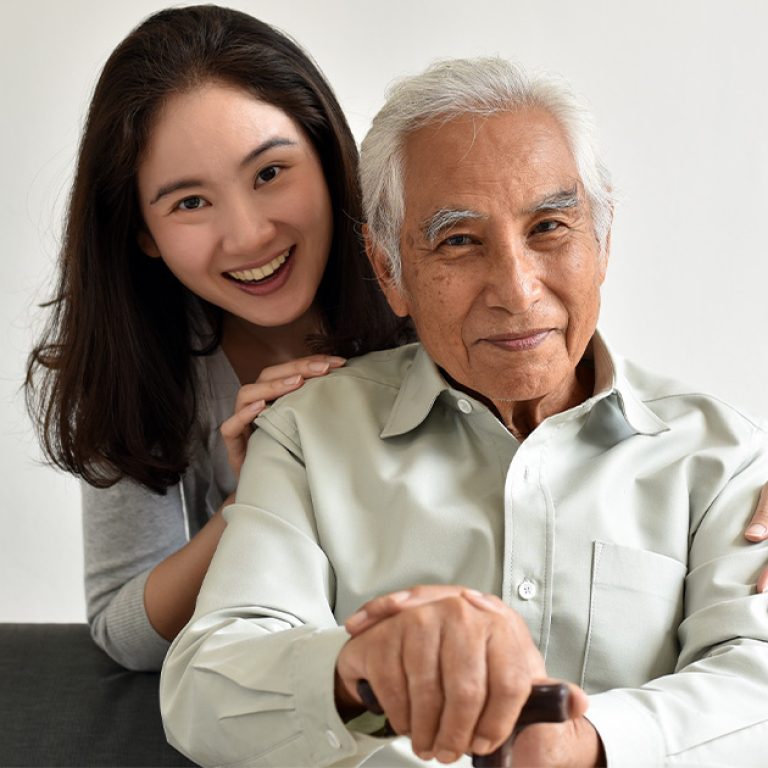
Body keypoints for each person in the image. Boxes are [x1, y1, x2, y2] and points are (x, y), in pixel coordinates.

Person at [160, 57, 768, 767]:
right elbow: (204, 687)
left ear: (602, 243)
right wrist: (356, 667)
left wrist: (588, 742)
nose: (515, 289)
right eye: (458, 241)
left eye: (549, 226)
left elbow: (754, 678)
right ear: (390, 272)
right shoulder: (306, 434)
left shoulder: (720, 456)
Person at [24, 5, 412, 671]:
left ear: (326, 154)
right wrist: (254, 497)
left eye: (269, 173)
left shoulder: (426, 297)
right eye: (190, 203)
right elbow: (125, 633)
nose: (249, 235)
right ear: (141, 234)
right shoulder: (139, 367)